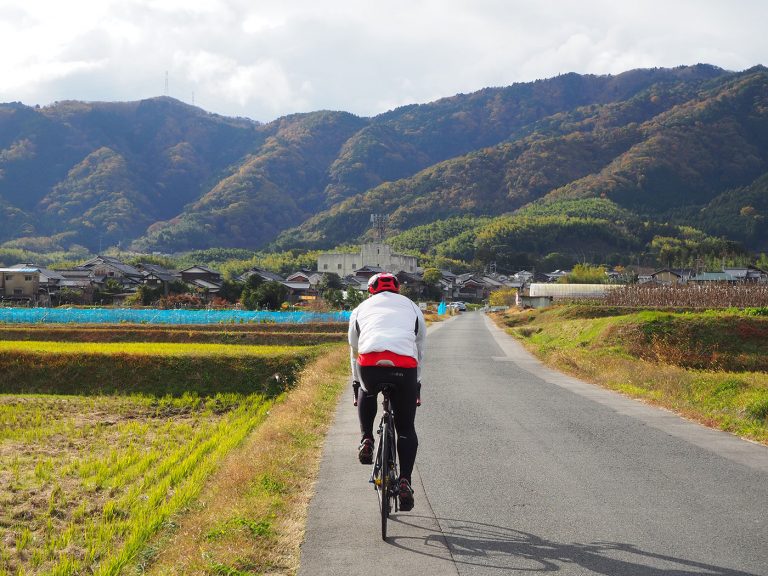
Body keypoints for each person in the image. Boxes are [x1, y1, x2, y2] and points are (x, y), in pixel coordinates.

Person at [348, 272, 426, 512]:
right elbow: (419, 347)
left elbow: (354, 349)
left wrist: (356, 382)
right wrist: (416, 383)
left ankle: (367, 439)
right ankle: (404, 481)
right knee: (406, 428)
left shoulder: (360, 309)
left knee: (367, 390)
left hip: (370, 365)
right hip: (404, 367)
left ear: (370, 291)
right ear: (397, 289)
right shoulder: (412, 307)